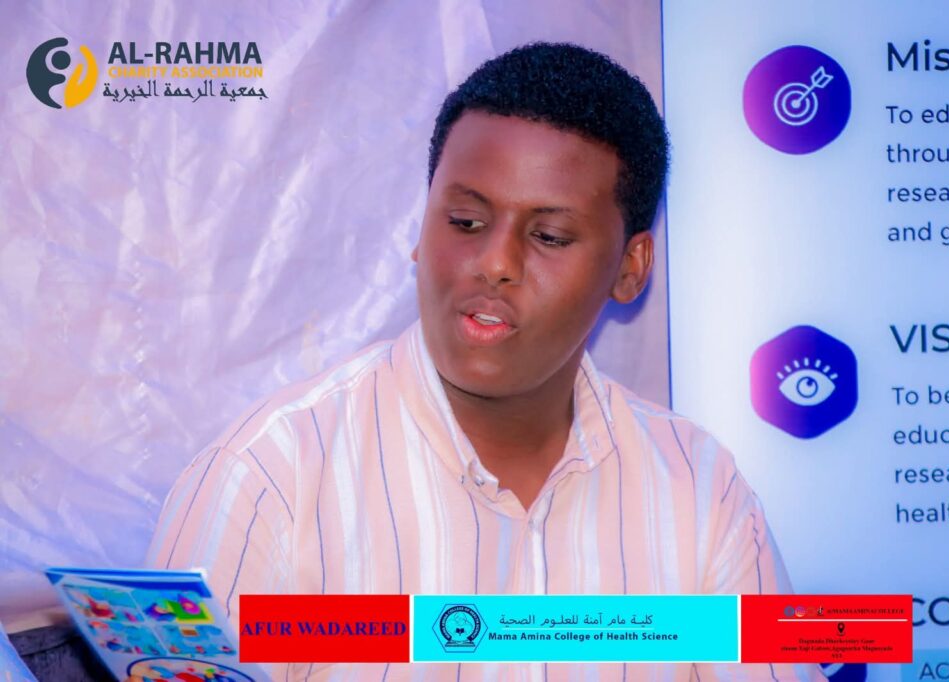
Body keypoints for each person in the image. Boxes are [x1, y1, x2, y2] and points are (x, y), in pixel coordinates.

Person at [148, 42, 821, 681]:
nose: (494, 262)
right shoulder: (267, 482)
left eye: (548, 235)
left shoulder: (700, 490)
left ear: (631, 267)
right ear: (421, 228)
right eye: (465, 223)